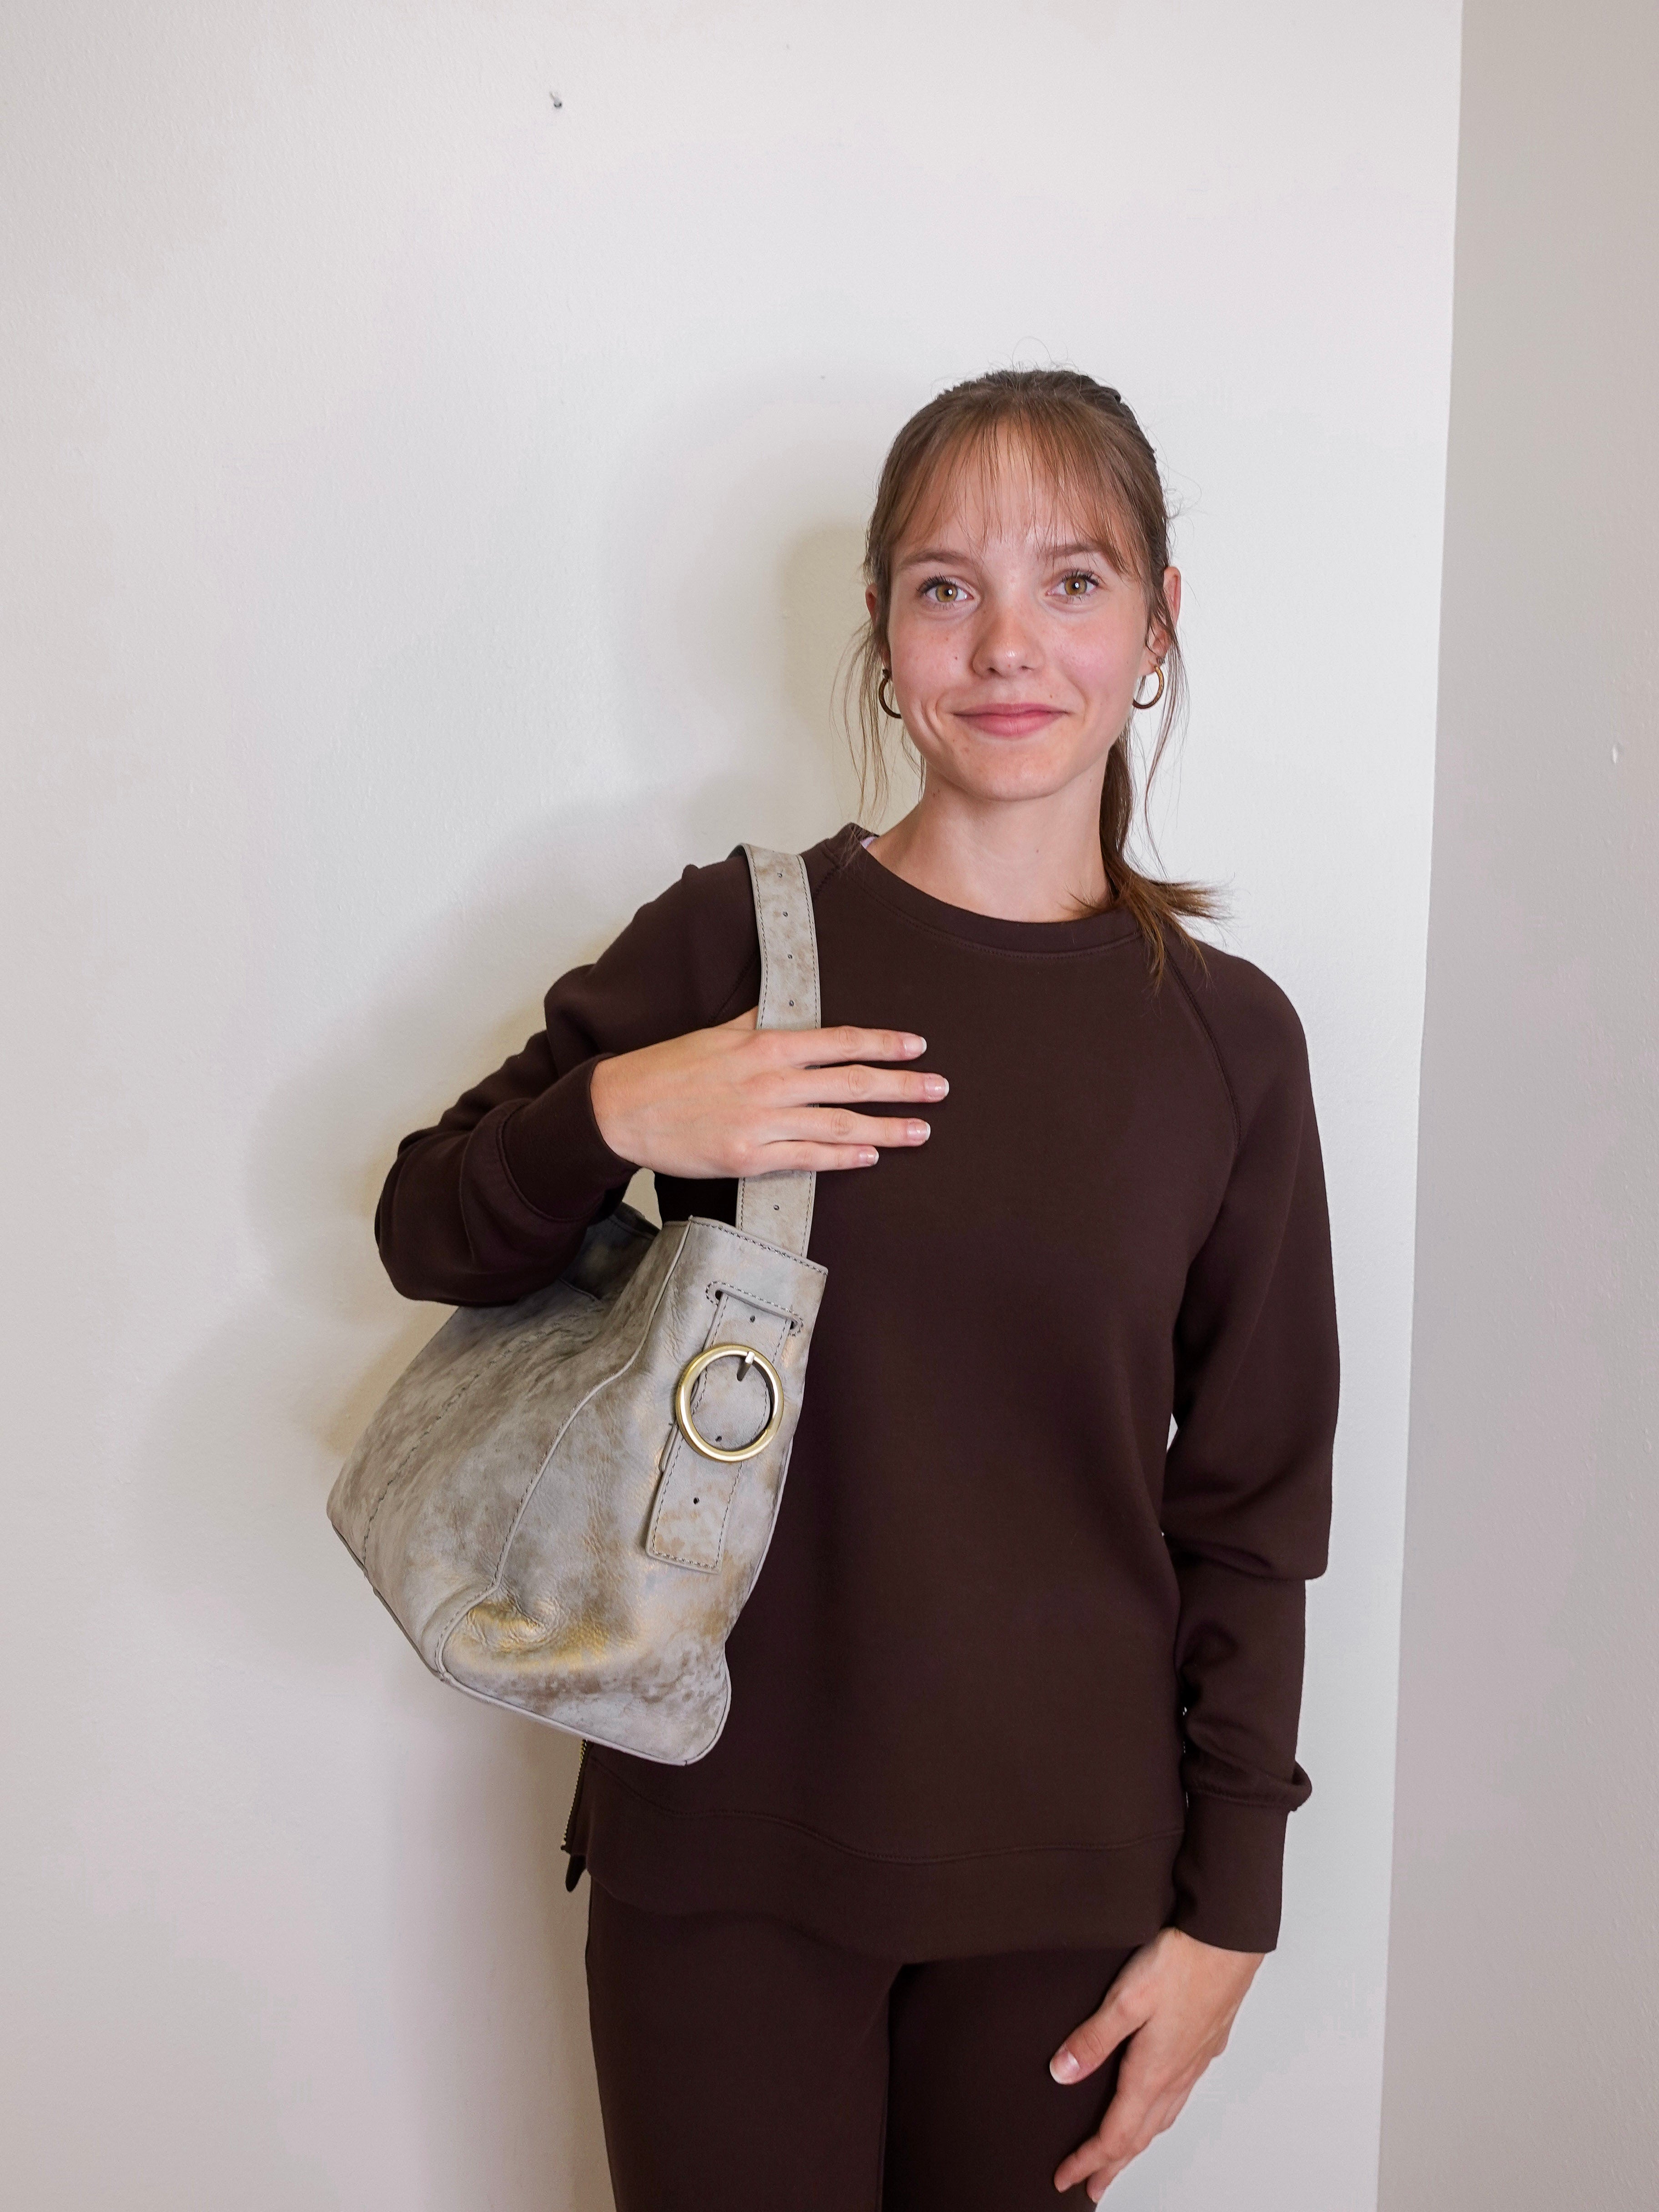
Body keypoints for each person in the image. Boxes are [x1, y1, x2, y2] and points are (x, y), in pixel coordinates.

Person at [374, 368, 1339, 2208]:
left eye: (1072, 581)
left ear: (1156, 623)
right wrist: (626, 1107)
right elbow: (429, 1231)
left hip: (1066, 1878)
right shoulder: (740, 940)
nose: (1007, 644)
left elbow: (1251, 1507)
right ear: (884, 630)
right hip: (722, 1847)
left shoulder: (1229, 1044)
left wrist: (1234, 1914)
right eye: (945, 586)